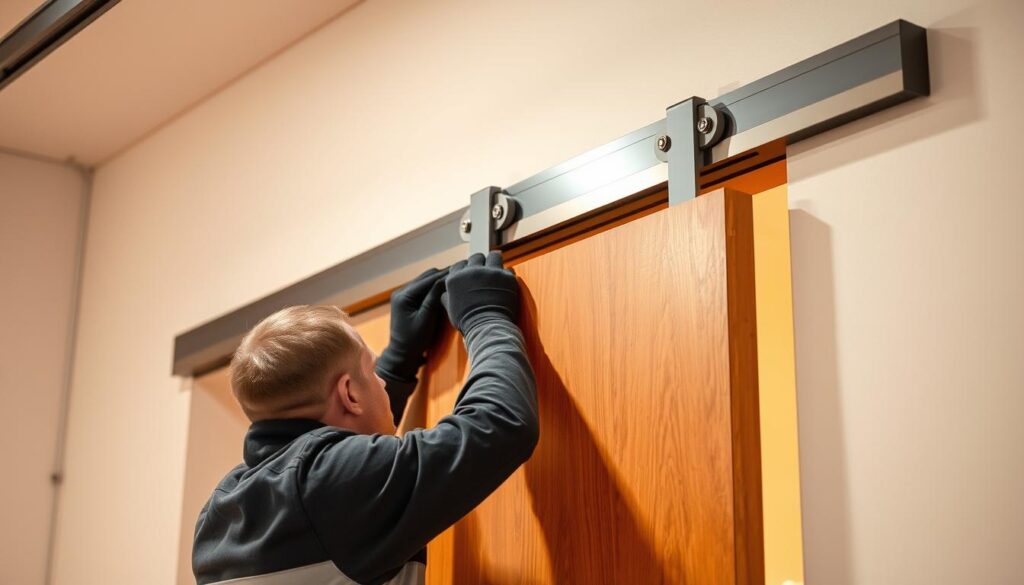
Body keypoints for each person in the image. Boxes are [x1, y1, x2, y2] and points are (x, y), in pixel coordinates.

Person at [192, 251, 538, 585]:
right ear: (349, 394)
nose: (382, 382)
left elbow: (347, 476)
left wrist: (400, 360)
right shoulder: (327, 485)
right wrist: (485, 317)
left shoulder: (220, 512)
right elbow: (500, 424)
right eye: (372, 373)